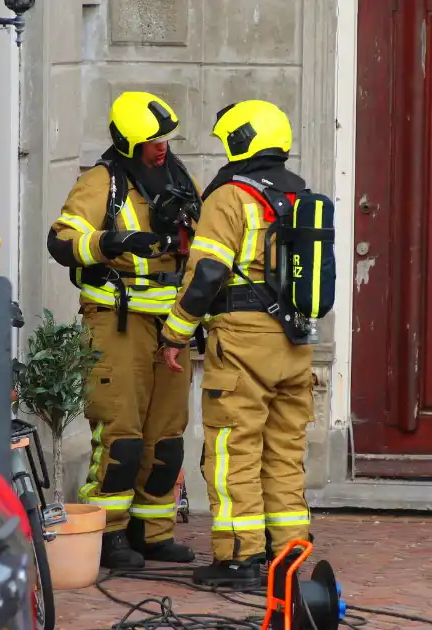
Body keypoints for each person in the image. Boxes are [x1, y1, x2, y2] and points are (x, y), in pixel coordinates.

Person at [161, 100, 317, 587]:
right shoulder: (299, 196)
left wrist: (175, 331)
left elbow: (207, 272)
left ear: (240, 140)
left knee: (233, 448)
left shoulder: (232, 197)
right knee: (284, 450)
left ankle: (239, 558)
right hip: (294, 341)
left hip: (244, 340)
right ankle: (287, 554)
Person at [47, 91, 202, 570]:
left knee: (167, 437)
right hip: (118, 323)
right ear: (128, 142)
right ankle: (109, 533)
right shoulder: (103, 183)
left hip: (171, 328)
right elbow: (62, 240)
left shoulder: (179, 179)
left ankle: (152, 532)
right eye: (152, 141)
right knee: (121, 437)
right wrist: (110, 241)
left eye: (165, 139)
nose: (162, 147)